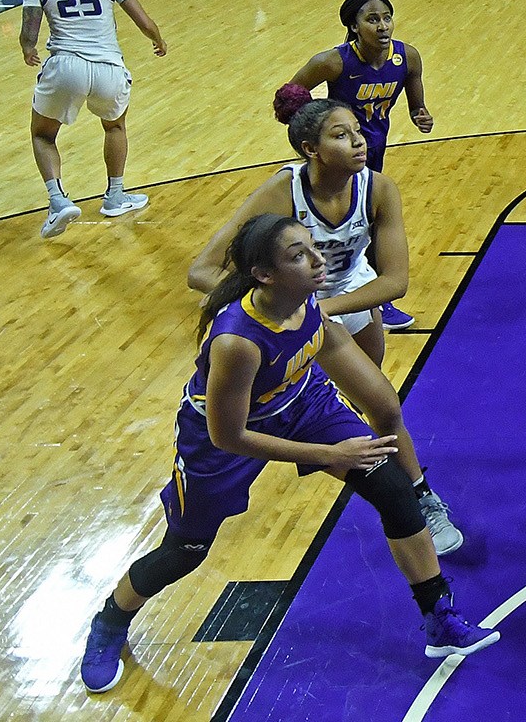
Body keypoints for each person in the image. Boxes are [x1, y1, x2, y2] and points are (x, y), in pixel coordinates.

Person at [78, 215, 496, 694]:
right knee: (184, 552)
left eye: (313, 248)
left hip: (302, 402)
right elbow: (227, 435)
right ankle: (111, 619)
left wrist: (381, 410)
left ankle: (438, 618)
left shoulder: (304, 296)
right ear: (264, 274)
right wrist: (329, 453)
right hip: (222, 439)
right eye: (299, 255)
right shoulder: (237, 340)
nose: (318, 260)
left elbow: (327, 337)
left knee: (393, 489)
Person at [189, 97, 461, 549]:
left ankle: (400, 489)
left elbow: (395, 281)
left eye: (357, 131)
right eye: (341, 135)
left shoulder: (378, 188)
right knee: (377, 403)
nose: (359, 142)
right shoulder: (281, 192)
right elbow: (203, 270)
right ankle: (418, 500)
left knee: (379, 406)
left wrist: (323, 310)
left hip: (346, 300)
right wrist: (276, 306)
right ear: (309, 148)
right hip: (299, 307)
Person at [277, 0, 432, 329]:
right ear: (353, 26)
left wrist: (422, 115)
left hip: (372, 149)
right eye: (372, 19)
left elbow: (416, 103)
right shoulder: (333, 62)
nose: (382, 25)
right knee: (353, 221)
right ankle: (367, 298)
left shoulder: (407, 58)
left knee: (369, 221)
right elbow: (288, 97)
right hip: (339, 154)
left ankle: (354, 291)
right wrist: (317, 133)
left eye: (386, 17)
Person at [20, 0, 165, 239]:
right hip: (108, 68)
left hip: (65, 66)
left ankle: (58, 201)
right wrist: (157, 39)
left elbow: (29, 29)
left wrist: (28, 50)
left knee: (43, 135)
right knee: (114, 126)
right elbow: (143, 20)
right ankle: (115, 196)